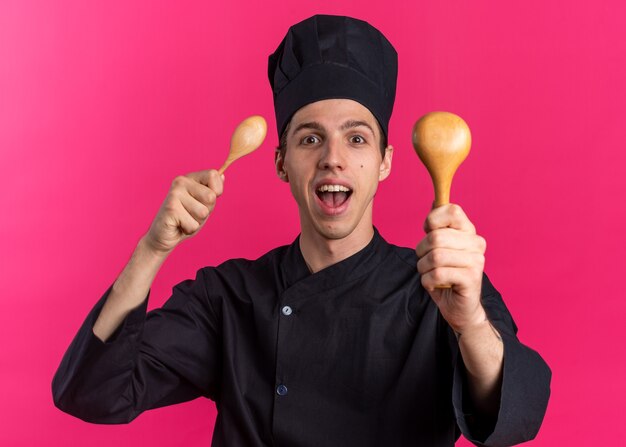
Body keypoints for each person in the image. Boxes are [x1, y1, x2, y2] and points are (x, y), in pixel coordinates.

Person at [52, 14, 551, 446]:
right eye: (311, 138)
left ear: (384, 163)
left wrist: (469, 324)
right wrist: (151, 249)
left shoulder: (442, 287)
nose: (333, 159)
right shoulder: (229, 298)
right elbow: (92, 393)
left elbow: (514, 418)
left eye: (356, 138)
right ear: (282, 163)